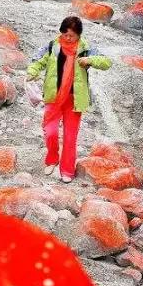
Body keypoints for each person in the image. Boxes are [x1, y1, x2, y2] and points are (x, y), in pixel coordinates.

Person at [26, 17, 111, 183]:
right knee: (50, 132)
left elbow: (107, 62)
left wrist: (91, 60)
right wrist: (32, 71)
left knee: (70, 137)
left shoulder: (86, 49)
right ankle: (52, 159)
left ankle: (67, 170)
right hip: (53, 97)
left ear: (79, 35)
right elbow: (37, 61)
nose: (67, 38)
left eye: (71, 35)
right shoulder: (52, 46)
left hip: (74, 100)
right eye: (64, 34)